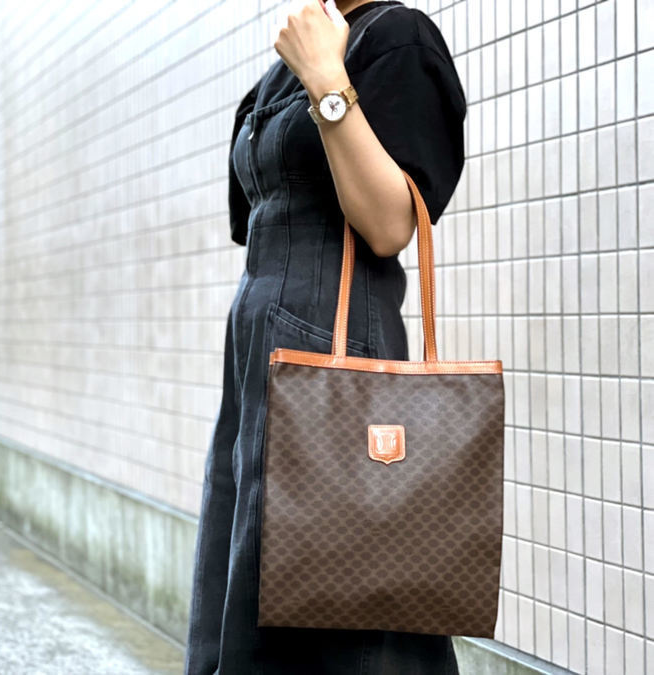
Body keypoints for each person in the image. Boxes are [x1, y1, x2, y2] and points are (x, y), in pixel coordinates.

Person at [184, 0, 467, 673]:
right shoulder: (283, 62)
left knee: (339, 613)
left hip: (335, 351)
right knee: (253, 579)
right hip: (261, 352)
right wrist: (308, 66)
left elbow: (390, 225)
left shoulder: (395, 37)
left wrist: (327, 80)